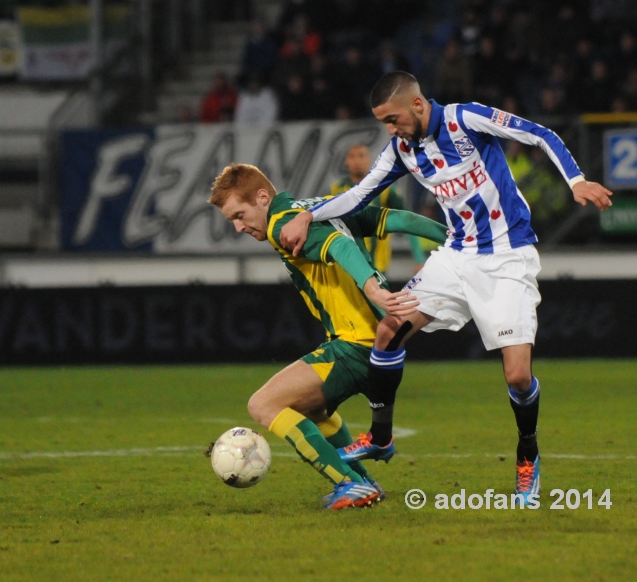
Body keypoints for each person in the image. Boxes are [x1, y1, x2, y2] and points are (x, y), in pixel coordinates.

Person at [279, 71, 613, 503]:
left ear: (417, 105)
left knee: (517, 377)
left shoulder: (466, 119)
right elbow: (359, 194)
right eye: (383, 122)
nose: (390, 129)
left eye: (393, 119)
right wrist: (310, 215)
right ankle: (381, 436)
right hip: (455, 257)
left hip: (508, 256)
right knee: (388, 329)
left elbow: (540, 134)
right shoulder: (402, 148)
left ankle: (527, 454)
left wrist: (577, 181)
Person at [208, 163, 447, 509]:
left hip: (356, 345)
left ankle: (350, 484)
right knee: (316, 411)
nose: (238, 226)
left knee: (263, 405)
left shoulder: (282, 226)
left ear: (262, 198)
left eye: (239, 214)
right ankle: (364, 482)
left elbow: (338, 246)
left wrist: (372, 288)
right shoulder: (316, 207)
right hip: (381, 346)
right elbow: (395, 219)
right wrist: (458, 239)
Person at [331, 144, 428, 275]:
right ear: (346, 161)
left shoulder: (384, 189)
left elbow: (407, 221)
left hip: (377, 266)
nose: (357, 161)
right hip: (346, 266)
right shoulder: (336, 190)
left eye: (361, 156)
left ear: (369, 160)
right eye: (352, 156)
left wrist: (419, 259)